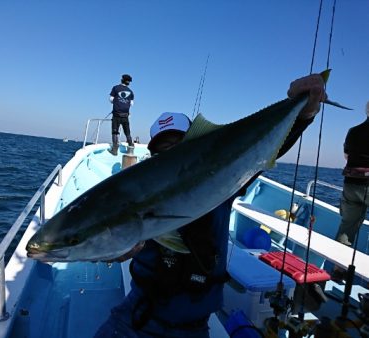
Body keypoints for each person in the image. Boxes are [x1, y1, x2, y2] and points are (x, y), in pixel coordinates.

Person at [94, 74, 327, 338]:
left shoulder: (223, 182)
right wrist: (116, 248)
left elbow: (262, 148)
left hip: (193, 328)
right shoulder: (139, 195)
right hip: (136, 318)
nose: (173, 157)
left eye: (180, 147)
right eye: (163, 151)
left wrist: (303, 112)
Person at [335, 101, 369, 248]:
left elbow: (347, 156)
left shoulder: (353, 131)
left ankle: (338, 269)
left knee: (347, 227)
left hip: (352, 185)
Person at [108, 74, 135, 156]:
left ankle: (115, 150)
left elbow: (111, 99)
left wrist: (117, 101)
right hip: (125, 115)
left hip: (116, 114)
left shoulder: (115, 88)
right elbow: (132, 103)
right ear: (129, 83)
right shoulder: (131, 92)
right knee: (127, 132)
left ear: (121, 80)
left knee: (115, 131)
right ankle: (130, 148)